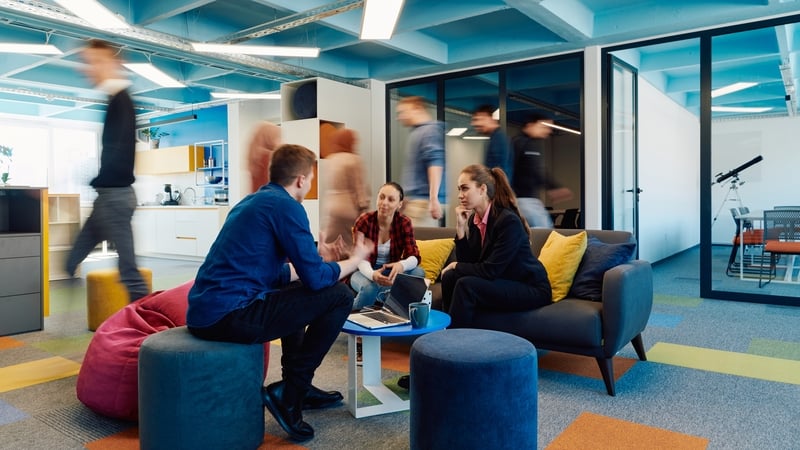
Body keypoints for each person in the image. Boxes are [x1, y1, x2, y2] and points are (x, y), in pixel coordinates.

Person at [186, 144, 372, 443]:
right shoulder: (287, 207)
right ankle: (291, 392)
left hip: (206, 312)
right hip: (229, 315)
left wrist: (320, 258)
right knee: (339, 295)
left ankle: (296, 388)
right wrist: (354, 259)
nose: (310, 185)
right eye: (311, 179)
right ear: (301, 179)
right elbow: (316, 279)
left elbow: (275, 273)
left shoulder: (254, 202)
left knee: (295, 288)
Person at [65, 39, 148, 301]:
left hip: (116, 197)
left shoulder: (121, 100)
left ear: (116, 63)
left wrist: (100, 179)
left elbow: (120, 153)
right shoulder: (115, 99)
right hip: (108, 196)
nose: (89, 68)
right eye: (87, 63)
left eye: (96, 62)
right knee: (72, 258)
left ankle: (147, 320)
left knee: (129, 272)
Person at [440, 164, 551, 328]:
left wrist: (456, 265)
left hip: (530, 288)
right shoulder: (475, 220)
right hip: (503, 280)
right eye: (459, 189)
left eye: (465, 188)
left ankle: (455, 338)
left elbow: (490, 270)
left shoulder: (507, 221)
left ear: (482, 189)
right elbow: (469, 262)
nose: (460, 195)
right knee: (450, 277)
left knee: (466, 285)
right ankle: (445, 330)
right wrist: (461, 229)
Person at [350, 182, 425, 310]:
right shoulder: (364, 221)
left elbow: (414, 255)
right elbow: (359, 258)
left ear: (399, 204)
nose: (384, 203)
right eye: (381, 197)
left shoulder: (404, 222)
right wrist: (372, 275)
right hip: (363, 271)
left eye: (391, 200)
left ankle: (381, 295)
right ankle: (348, 311)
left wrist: (401, 265)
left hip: (390, 271)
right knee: (369, 288)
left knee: (419, 273)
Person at [511, 113, 573, 228]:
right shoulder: (523, 143)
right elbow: (536, 171)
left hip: (523, 199)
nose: (548, 131)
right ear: (530, 125)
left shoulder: (524, 143)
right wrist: (554, 188)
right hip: (524, 200)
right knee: (547, 233)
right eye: (544, 126)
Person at [396, 96, 446, 227]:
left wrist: (433, 199)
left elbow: (435, 164)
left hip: (423, 204)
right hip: (416, 201)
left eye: (402, 112)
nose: (399, 117)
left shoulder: (430, 131)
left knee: (416, 239)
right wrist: (406, 199)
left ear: (417, 109)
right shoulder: (417, 132)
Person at [321, 128, 370, 248]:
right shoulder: (354, 160)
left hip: (331, 208)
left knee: (330, 243)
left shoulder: (330, 159)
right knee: (351, 244)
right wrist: (364, 207)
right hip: (349, 208)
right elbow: (359, 187)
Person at [471, 104, 512, 176]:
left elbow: (499, 173)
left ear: (490, 119)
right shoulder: (494, 138)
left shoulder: (499, 139)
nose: (474, 123)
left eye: (478, 119)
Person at [248, 121, 283, 192]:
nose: (279, 139)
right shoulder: (269, 157)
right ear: (269, 137)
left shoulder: (255, 157)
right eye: (277, 136)